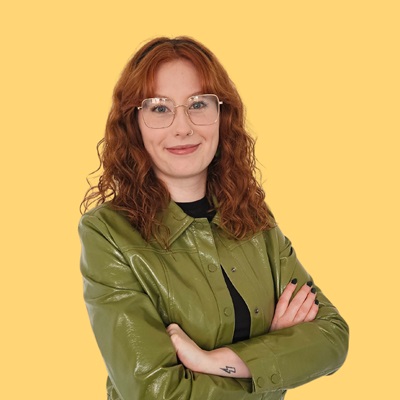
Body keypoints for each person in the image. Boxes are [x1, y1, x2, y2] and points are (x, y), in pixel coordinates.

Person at [79, 36, 349, 400]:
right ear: (134, 123)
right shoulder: (108, 233)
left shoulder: (254, 218)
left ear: (222, 114)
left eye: (198, 104)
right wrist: (276, 357)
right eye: (159, 108)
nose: (182, 127)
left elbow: (333, 338)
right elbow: (157, 394)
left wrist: (214, 361)